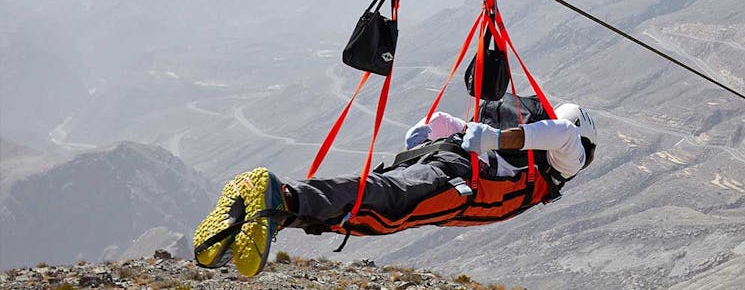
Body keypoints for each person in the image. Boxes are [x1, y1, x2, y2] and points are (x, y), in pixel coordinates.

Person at [193, 96, 597, 277]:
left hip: (452, 165)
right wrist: (490, 140)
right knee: (384, 209)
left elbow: (445, 123)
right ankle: (278, 198)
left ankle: (263, 215)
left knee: (379, 198)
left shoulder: (526, 149)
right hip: (462, 184)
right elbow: (562, 133)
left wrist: (430, 134)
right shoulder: (565, 156)